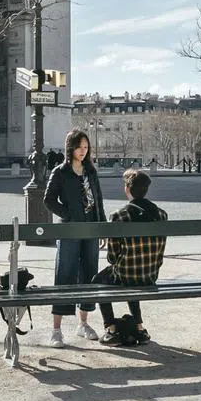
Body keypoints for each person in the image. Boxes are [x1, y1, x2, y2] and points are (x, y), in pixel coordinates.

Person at [43, 129, 106, 348]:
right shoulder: (60, 172)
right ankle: (56, 329)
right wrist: (68, 214)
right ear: (71, 147)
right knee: (65, 274)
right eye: (80, 147)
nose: (83, 151)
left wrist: (102, 228)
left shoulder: (91, 171)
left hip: (91, 228)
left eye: (86, 148)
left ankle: (83, 324)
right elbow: (49, 200)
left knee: (89, 273)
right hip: (69, 231)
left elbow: (98, 200)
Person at [93, 169, 167, 346]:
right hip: (150, 276)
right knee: (134, 273)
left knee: (98, 280)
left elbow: (112, 257)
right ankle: (140, 329)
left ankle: (111, 330)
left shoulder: (120, 215)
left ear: (127, 188)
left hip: (127, 275)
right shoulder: (162, 214)